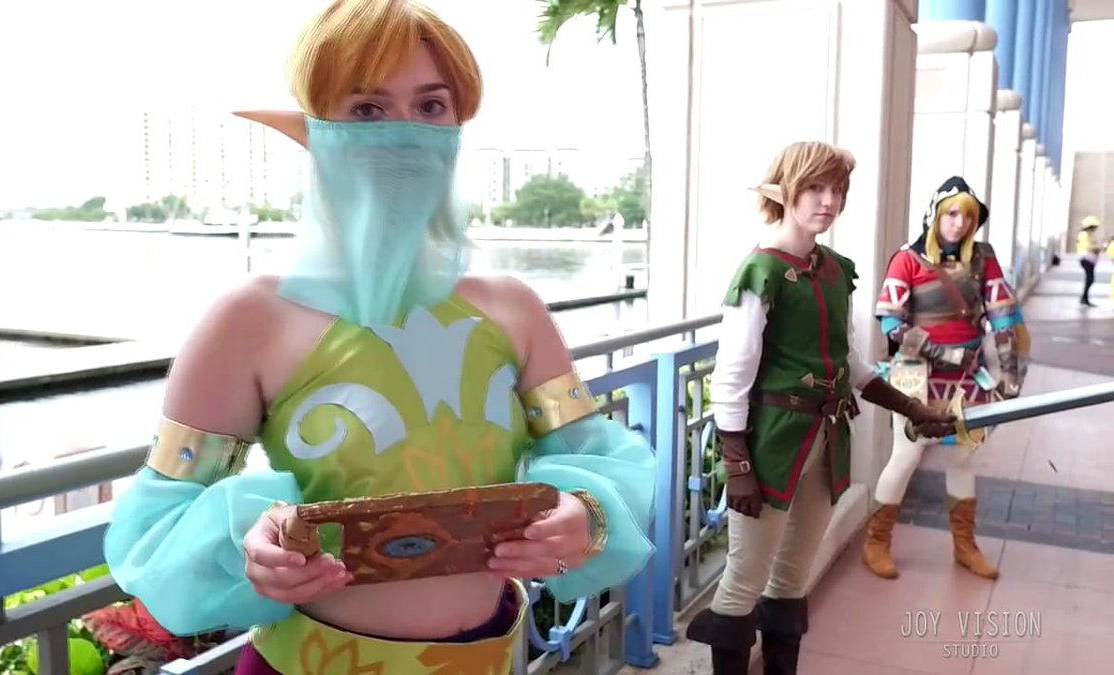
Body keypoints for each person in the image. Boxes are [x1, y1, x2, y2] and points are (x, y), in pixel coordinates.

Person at [102, 2, 657, 673]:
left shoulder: (514, 310)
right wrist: (251, 542)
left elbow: (596, 461)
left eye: (431, 106)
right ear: (317, 125)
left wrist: (584, 515)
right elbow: (159, 522)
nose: (404, 133)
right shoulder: (248, 320)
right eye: (367, 108)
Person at [683, 142, 956, 675]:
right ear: (785, 191)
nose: (828, 201)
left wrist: (910, 408)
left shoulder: (833, 269)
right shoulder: (761, 271)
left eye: (838, 190)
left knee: (792, 577)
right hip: (771, 444)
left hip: (827, 438)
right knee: (744, 579)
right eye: (815, 187)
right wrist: (737, 463)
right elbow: (731, 376)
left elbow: (847, 361)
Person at [864, 176, 1031, 582]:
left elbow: (1003, 316)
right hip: (914, 374)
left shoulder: (984, 258)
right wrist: (943, 353)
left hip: (967, 375)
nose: (959, 222)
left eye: (968, 216)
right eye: (952, 213)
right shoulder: (907, 259)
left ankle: (964, 545)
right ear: (935, 215)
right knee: (906, 455)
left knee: (962, 458)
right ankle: (876, 541)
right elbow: (891, 323)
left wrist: (1011, 375)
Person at [1077, 216, 1101, 306]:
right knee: (1090, 279)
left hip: (1091, 260)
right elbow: (1087, 246)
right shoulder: (1083, 234)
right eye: (1093, 227)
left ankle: (1084, 298)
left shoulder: (1090, 234)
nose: (1094, 229)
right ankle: (1084, 298)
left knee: (1089, 279)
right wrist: (1097, 247)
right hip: (1086, 259)